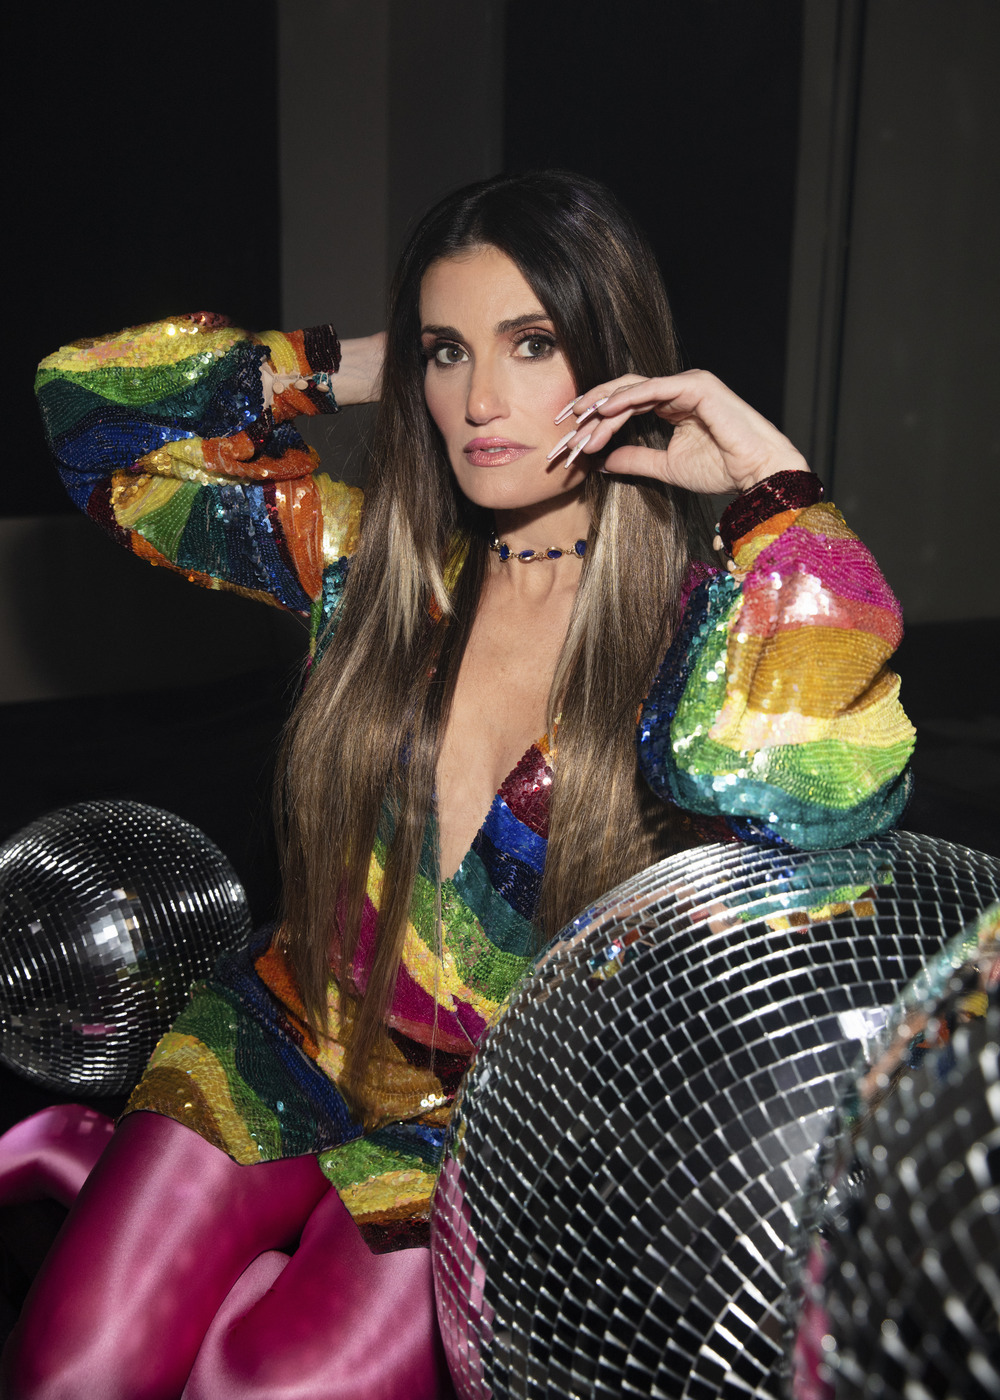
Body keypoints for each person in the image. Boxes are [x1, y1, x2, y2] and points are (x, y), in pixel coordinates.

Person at [1, 171, 914, 1398]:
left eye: (531, 344)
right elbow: (94, 418)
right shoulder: (374, 568)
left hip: (488, 1135)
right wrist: (368, 361)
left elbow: (832, 790)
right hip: (279, 1039)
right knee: (71, 1367)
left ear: (614, 363)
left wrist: (772, 485)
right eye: (450, 352)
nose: (480, 398)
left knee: (249, 1383)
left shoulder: (690, 639)